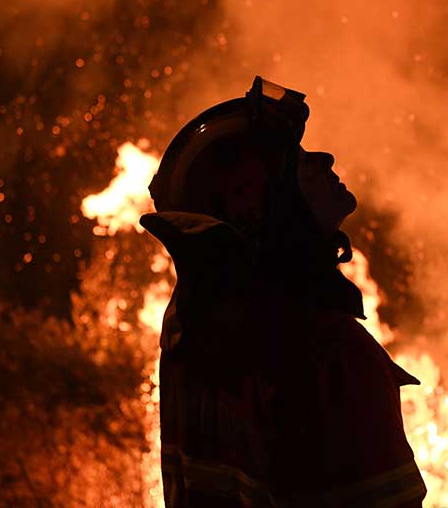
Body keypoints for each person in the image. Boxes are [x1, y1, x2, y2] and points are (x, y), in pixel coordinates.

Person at [140, 77, 426, 507]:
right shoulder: (329, 351)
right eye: (299, 163)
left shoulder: (192, 328)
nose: (326, 159)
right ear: (260, 205)